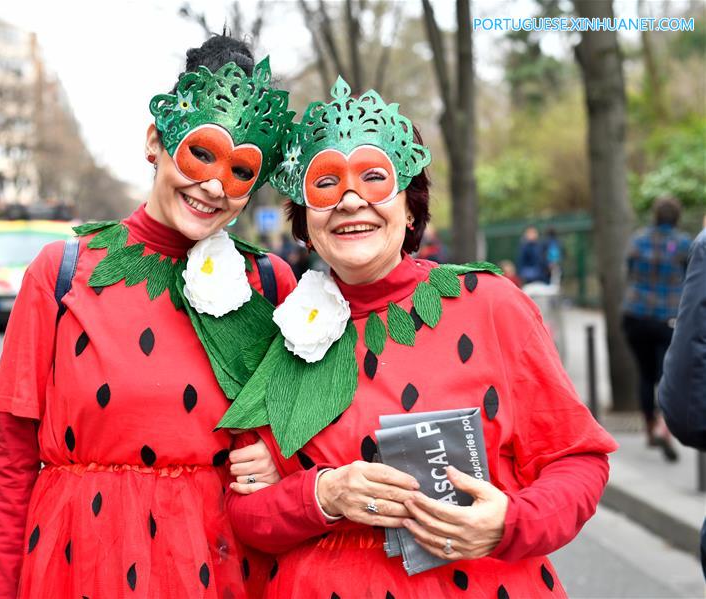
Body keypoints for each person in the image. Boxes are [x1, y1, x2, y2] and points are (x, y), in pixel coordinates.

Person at [218, 78, 617, 598]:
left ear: (409, 209)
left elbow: (576, 458)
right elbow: (246, 514)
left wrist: (511, 522)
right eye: (326, 185)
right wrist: (324, 493)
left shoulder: (490, 304)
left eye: (374, 179)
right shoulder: (287, 334)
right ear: (307, 222)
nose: (351, 200)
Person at [0, 36, 297, 598]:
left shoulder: (270, 285)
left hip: (221, 572)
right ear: (157, 140)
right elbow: (9, 461)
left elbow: (309, 443)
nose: (214, 187)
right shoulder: (62, 272)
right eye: (201, 153)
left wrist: (279, 463)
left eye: (241, 170)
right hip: (80, 567)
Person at [621, 195, 691, 461]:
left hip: (636, 315)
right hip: (668, 318)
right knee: (666, 375)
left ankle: (649, 428)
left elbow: (629, 270)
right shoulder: (684, 243)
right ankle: (664, 427)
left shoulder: (638, 239)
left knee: (645, 375)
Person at [657, 226, 706, 575]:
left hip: (647, 313)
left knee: (650, 375)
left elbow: (687, 408)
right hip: (664, 314)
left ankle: (648, 424)